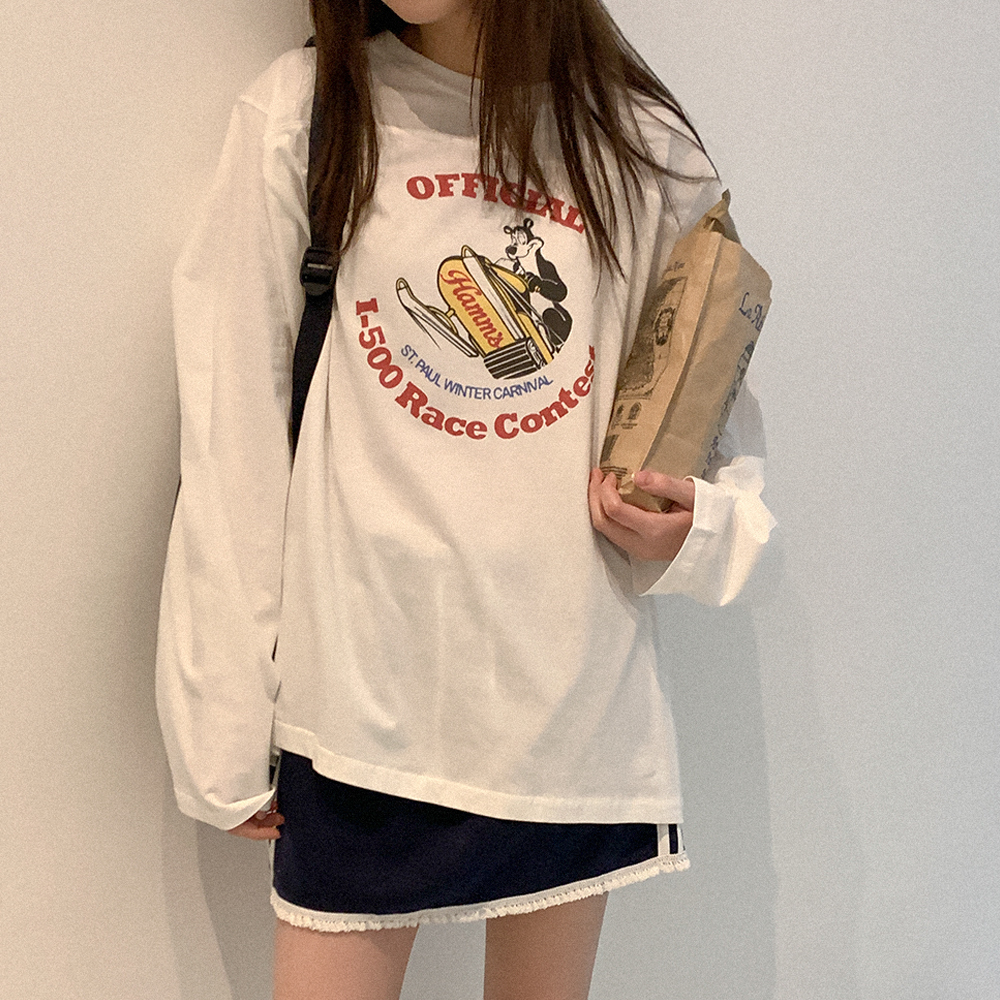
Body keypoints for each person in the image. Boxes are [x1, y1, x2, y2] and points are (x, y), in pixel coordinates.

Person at [156, 1, 774, 998]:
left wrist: (694, 528)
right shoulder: (307, 115)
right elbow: (233, 434)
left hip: (568, 708)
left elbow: (716, 428)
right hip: (360, 709)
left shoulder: (638, 146)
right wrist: (221, 724)